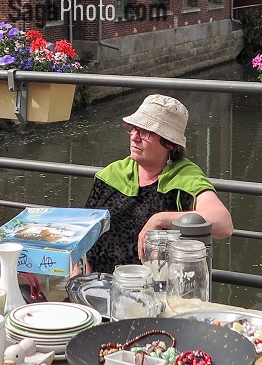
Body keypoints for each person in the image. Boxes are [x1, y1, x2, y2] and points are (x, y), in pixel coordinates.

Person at [84, 94, 233, 274]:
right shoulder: (112, 173)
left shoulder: (185, 176)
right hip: (97, 284)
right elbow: (85, 229)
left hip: (154, 289)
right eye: (133, 128)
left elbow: (224, 225)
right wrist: (80, 265)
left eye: (145, 131)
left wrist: (160, 219)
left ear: (169, 143)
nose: (134, 137)